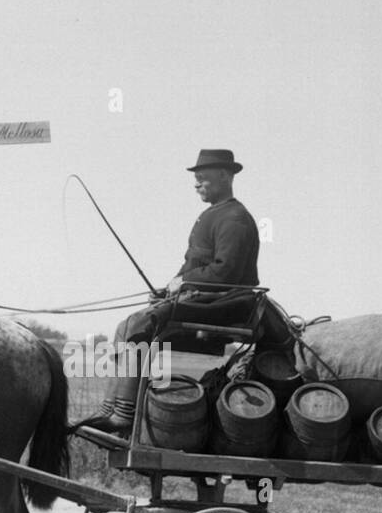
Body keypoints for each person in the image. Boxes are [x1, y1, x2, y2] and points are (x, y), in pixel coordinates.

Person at [78, 149, 261, 435]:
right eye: (196, 179)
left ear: (225, 175)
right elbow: (194, 265)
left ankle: (124, 415)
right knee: (125, 326)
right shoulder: (212, 215)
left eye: (203, 178)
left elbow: (226, 272)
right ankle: (109, 408)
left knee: (139, 323)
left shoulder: (234, 218)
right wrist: (169, 289)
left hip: (226, 302)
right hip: (206, 297)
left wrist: (185, 281)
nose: (196, 184)